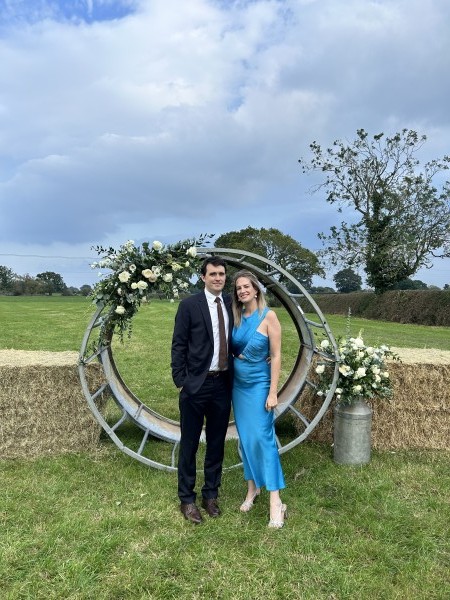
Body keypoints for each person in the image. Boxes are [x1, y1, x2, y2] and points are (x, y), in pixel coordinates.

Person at [171, 256, 233, 525]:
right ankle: (187, 499)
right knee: (190, 443)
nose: (218, 278)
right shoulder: (189, 305)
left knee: (217, 443)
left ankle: (210, 495)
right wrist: (181, 380)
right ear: (203, 277)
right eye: (213, 274)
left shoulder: (232, 304)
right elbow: (179, 344)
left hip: (223, 384)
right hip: (195, 385)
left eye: (221, 274)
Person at [231, 269, 287, 528]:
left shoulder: (269, 316)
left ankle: (276, 501)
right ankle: (252, 488)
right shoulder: (236, 316)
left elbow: (275, 355)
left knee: (264, 439)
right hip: (238, 387)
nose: (242, 290)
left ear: (256, 289)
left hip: (260, 386)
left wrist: (273, 391)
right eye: (239, 288)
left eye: (246, 286)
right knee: (246, 439)